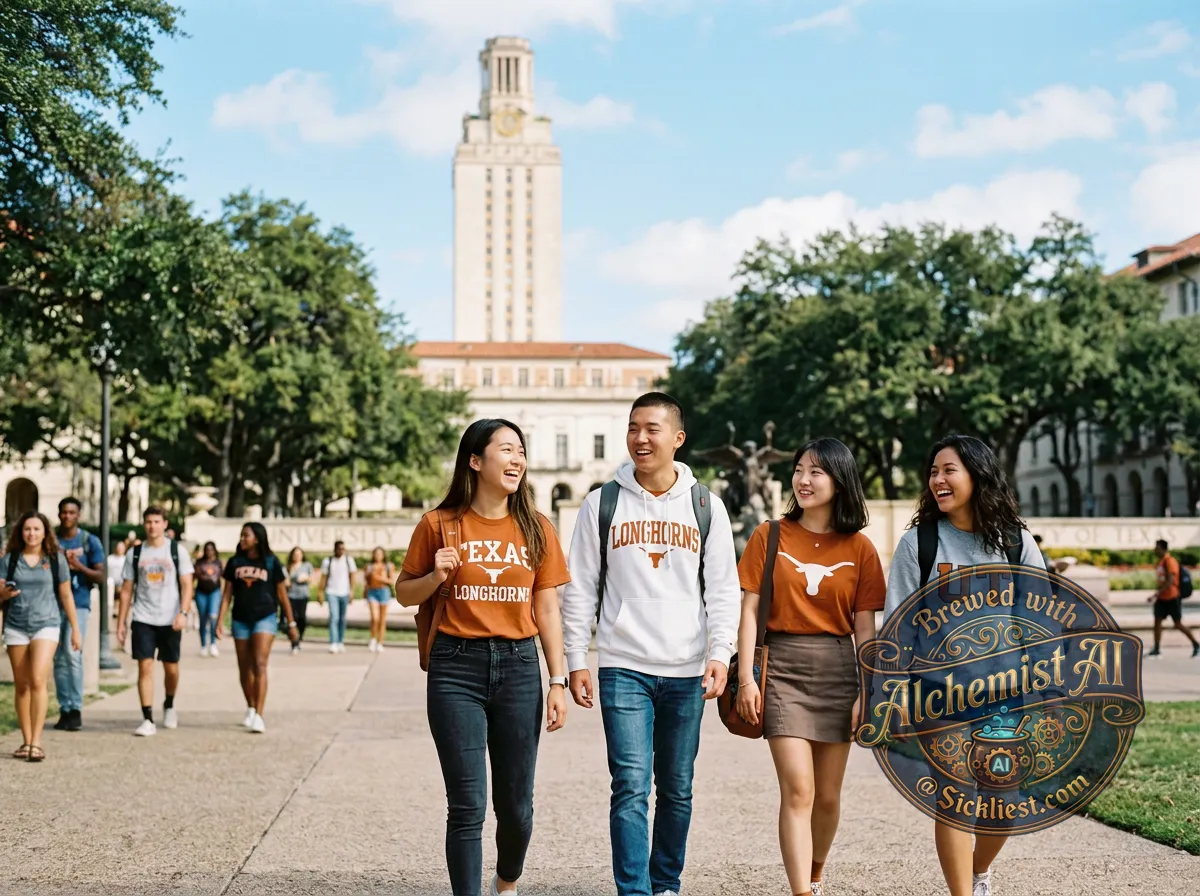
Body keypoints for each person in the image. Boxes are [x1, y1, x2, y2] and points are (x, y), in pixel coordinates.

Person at [561, 392, 740, 896]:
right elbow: (580, 588)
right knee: (630, 787)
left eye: (652, 429)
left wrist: (720, 653)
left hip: (686, 668)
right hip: (623, 666)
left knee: (677, 788)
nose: (640, 438)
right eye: (633, 428)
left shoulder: (706, 506)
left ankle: (666, 884)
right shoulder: (602, 503)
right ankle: (635, 891)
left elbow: (723, 589)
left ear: (678, 438)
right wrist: (576, 659)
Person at [395, 418, 570, 896]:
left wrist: (558, 680)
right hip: (456, 668)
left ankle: (506, 880)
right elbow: (404, 593)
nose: (517, 459)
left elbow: (547, 608)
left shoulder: (537, 528)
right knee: (467, 804)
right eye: (506, 449)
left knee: (516, 807)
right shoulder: (438, 524)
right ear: (475, 460)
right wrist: (435, 576)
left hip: (519, 668)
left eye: (521, 451)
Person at [883, 434, 1042, 896]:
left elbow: (1038, 619)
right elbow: (898, 625)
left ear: (978, 475)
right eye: (933, 471)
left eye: (949, 470)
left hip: (1004, 694)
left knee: (1003, 804)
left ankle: (977, 871)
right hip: (938, 691)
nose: (938, 479)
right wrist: (893, 692)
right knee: (955, 797)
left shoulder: (1015, 542)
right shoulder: (919, 543)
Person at [734, 438, 884, 896]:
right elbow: (749, 610)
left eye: (816, 472)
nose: (803, 479)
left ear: (840, 482)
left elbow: (865, 629)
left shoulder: (861, 548)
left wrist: (868, 691)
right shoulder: (768, 536)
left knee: (829, 796)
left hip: (840, 670)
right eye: (799, 469)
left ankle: (816, 874)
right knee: (799, 789)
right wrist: (746, 678)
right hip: (781, 668)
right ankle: (801, 891)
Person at [0, 511, 81, 762]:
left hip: (47, 624)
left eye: (36, 529)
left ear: (45, 532)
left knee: (37, 679)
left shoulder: (55, 559)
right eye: (27, 529)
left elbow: (66, 595)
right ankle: (25, 741)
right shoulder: (10, 560)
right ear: (20, 532)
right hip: (16, 626)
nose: (31, 533)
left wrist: (75, 629)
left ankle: (36, 742)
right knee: (22, 684)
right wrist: (4, 595)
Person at [117, 506, 195, 738]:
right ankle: (147, 718)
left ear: (165, 524)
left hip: (170, 618)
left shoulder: (176, 551)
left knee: (171, 668)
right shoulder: (135, 553)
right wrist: (121, 622)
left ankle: (169, 704)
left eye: (156, 522)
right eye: (148, 522)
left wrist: (183, 613)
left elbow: (187, 584)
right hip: (143, 617)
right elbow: (126, 590)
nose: (152, 526)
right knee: (145, 666)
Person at [216, 523, 298, 734]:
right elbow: (227, 594)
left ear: (258, 538)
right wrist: (219, 621)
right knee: (245, 667)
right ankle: (251, 707)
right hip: (240, 618)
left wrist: (291, 623)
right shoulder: (235, 562)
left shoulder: (271, 562)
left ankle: (259, 715)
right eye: (241, 535)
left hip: (265, 617)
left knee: (260, 664)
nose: (242, 539)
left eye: (247, 535)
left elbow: (282, 595)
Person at [53, 497, 106, 732]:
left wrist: (78, 566)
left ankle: (75, 708)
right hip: (54, 604)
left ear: (78, 515)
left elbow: (100, 576)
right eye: (64, 512)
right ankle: (64, 707)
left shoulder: (88, 541)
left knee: (72, 653)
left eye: (72, 512)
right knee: (58, 658)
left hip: (79, 603)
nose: (67, 516)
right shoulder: (51, 540)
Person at [1147, 539, 1199, 658]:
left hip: (1172, 597)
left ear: (1163, 549)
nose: (1155, 550)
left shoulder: (1170, 561)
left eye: (1157, 548)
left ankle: (1196, 645)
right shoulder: (1160, 562)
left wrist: (1156, 594)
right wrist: (1159, 594)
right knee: (1157, 622)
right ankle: (1156, 649)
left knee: (1178, 624)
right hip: (1162, 598)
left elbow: (1170, 581)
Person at [319, 541, 356, 653]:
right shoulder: (328, 561)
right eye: (339, 548)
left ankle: (340, 641)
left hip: (344, 592)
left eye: (343, 549)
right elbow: (323, 577)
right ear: (335, 549)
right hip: (332, 592)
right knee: (334, 617)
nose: (341, 551)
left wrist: (352, 591)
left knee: (342, 618)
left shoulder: (348, 560)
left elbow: (352, 576)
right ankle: (333, 642)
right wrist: (320, 592)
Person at [194, 542, 224, 658]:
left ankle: (213, 643)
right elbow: (193, 577)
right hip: (201, 592)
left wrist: (222, 592)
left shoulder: (218, 563)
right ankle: (203, 645)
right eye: (207, 549)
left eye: (211, 549)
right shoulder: (200, 563)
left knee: (213, 617)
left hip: (214, 592)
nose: (209, 552)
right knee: (203, 618)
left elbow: (223, 578)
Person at [364, 546, 395, 653]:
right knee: (374, 618)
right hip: (372, 592)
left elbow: (391, 581)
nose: (378, 556)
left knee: (382, 619)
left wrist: (379, 578)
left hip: (383, 592)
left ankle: (380, 642)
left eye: (380, 554)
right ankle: (373, 639)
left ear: (383, 555)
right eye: (376, 553)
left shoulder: (388, 566)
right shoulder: (369, 566)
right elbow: (367, 581)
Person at [285, 547, 314, 653]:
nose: (297, 556)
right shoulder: (288, 567)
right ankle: (294, 641)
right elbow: (285, 580)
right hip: (291, 595)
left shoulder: (307, 566)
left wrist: (305, 578)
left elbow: (311, 578)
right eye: (295, 554)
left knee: (301, 617)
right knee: (292, 618)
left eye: (299, 554)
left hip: (302, 595)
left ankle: (300, 635)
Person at [106, 540, 128, 621]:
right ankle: (112, 610)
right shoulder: (110, 559)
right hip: (111, 582)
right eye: (119, 547)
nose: (120, 549)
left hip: (122, 583)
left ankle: (119, 612)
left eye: (121, 547)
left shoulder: (126, 559)